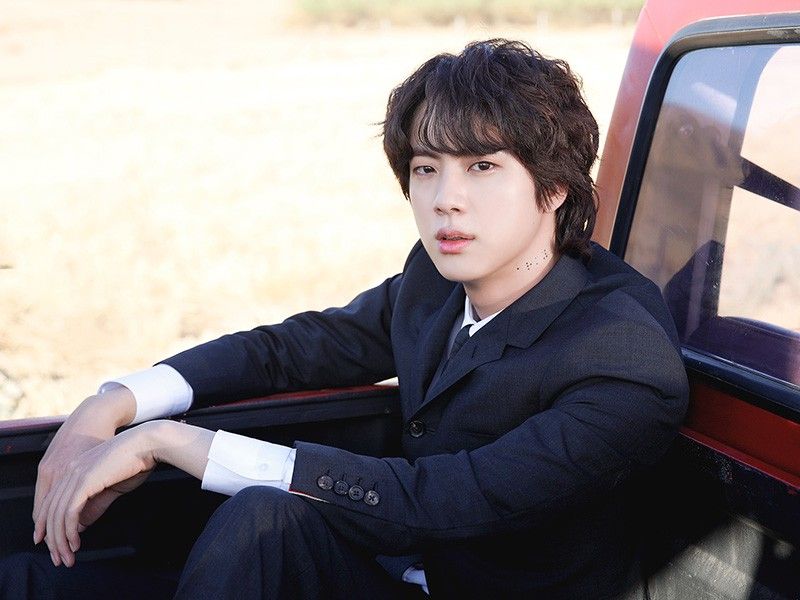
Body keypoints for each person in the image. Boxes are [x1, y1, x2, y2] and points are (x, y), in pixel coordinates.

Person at [1, 38, 689, 599]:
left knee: (264, 518)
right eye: (426, 168)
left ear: (555, 186)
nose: (446, 200)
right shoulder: (434, 281)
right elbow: (292, 350)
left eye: (482, 166)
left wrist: (171, 442)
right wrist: (117, 400)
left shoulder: (621, 353)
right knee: (31, 582)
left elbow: (441, 500)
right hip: (390, 568)